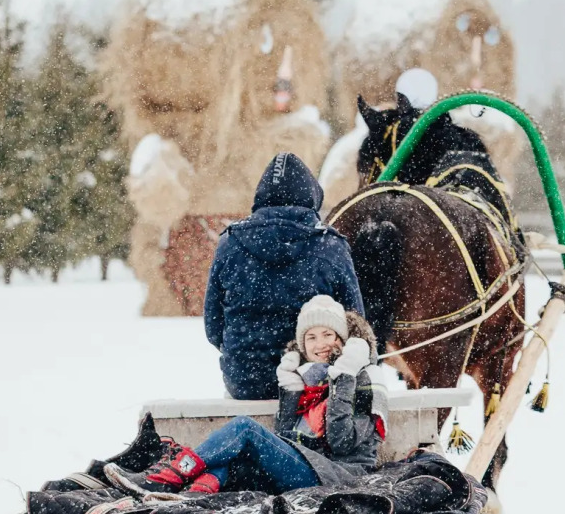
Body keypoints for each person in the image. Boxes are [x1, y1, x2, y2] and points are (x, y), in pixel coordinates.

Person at [107, 295, 382, 494]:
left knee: (244, 428)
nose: (320, 344)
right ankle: (192, 498)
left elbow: (342, 442)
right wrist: (291, 389)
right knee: (232, 457)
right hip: (312, 468)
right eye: (311, 337)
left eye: (328, 335)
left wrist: (344, 375)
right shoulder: (308, 380)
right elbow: (287, 439)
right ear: (302, 344)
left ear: (343, 340)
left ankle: (169, 477)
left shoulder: (361, 378)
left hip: (340, 476)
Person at [204, 152, 365, 401]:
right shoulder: (330, 245)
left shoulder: (230, 242)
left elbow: (213, 327)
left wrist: (247, 356)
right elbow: (355, 320)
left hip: (246, 383)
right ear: (312, 197)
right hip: (313, 382)